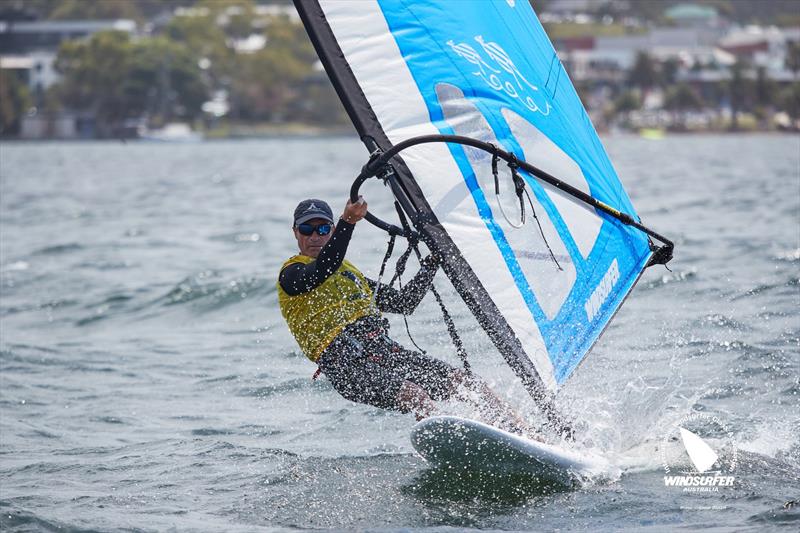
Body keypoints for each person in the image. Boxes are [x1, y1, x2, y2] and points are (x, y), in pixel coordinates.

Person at [277, 197, 531, 432]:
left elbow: (404, 303)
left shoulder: (349, 275)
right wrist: (348, 222)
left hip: (383, 351)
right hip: (345, 365)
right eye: (307, 230)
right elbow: (322, 268)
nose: (315, 237)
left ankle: (522, 433)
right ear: (295, 233)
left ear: (330, 231)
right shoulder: (291, 274)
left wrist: (432, 263)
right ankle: (447, 448)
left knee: (466, 383)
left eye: (323, 229)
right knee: (416, 396)